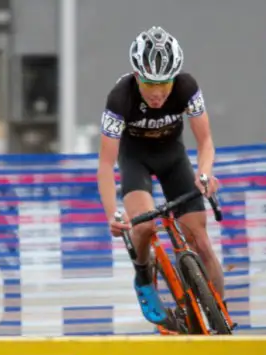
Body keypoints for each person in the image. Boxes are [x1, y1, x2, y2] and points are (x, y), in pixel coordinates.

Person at [96, 26, 227, 333]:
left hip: (173, 157)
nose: (157, 93)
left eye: (164, 84)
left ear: (174, 78)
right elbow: (105, 164)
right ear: (136, 76)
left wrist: (205, 172)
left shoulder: (186, 87)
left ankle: (220, 324)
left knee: (202, 242)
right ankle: (143, 274)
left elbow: (205, 142)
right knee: (142, 226)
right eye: (149, 84)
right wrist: (113, 214)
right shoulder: (119, 98)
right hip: (136, 159)